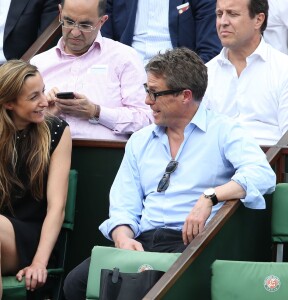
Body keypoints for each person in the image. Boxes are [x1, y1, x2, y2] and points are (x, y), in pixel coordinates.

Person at [63, 47, 276, 300]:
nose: (147, 101)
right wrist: (122, 237)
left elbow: (263, 174)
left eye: (155, 93)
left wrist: (210, 197)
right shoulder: (140, 140)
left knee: (142, 288)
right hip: (142, 240)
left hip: (192, 244)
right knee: (75, 283)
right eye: (147, 90)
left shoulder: (224, 131)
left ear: (185, 95)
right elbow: (123, 203)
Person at [30, 0, 152, 141]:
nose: (75, 32)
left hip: (107, 155)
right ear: (60, 13)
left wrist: (96, 112)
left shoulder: (123, 57)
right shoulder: (39, 63)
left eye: (85, 25)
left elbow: (146, 119)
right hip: (47, 154)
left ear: (102, 22)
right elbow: (17, 119)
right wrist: (46, 113)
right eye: (68, 22)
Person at [0, 60, 72, 297]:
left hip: (32, 238)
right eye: (33, 97)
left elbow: (57, 207)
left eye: (42, 90)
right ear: (9, 103)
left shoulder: (56, 130)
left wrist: (40, 262)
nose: (44, 101)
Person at [202, 0, 288, 146]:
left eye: (232, 14)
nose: (223, 22)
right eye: (219, 14)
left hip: (271, 162)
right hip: (216, 162)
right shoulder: (205, 74)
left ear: (258, 20)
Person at [101, 0, 222, 65]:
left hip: (178, 73)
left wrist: (186, 79)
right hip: (126, 69)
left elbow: (210, 50)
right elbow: (102, 43)